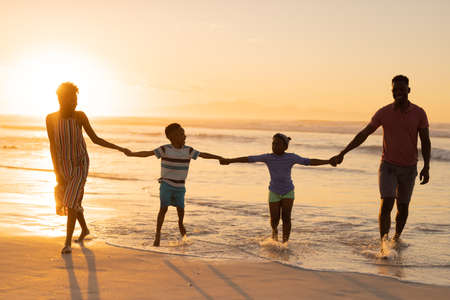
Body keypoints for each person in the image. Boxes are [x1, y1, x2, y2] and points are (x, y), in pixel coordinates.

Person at [330, 75, 431, 247]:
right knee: (387, 204)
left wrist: (426, 166)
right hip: (388, 166)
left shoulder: (419, 113)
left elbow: (425, 141)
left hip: (409, 168)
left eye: (401, 89)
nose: (398, 93)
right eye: (394, 90)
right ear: (392, 92)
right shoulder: (384, 112)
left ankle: (396, 239)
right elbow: (364, 134)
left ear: (408, 90)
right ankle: (384, 244)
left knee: (403, 208)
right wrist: (343, 152)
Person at [46, 82, 129, 254]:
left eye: (76, 99)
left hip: (80, 165)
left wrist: (120, 148)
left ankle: (67, 243)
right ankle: (85, 229)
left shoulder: (80, 116)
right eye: (72, 99)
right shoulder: (50, 119)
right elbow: (52, 146)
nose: (75, 102)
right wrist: (57, 173)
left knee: (69, 202)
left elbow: (96, 139)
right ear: (61, 99)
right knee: (74, 200)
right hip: (63, 166)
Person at [220, 133, 333, 243]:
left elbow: (308, 162)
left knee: (286, 218)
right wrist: (229, 160)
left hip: (288, 191)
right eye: (273, 144)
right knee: (274, 220)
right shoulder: (268, 157)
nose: (275, 146)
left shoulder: (291, 157)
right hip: (274, 191)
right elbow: (249, 159)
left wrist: (328, 161)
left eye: (278, 144)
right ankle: (274, 236)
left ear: (285, 147)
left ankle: (285, 243)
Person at [125, 123, 223, 246]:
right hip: (166, 184)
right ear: (172, 136)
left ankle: (182, 231)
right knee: (163, 209)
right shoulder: (165, 149)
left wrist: (219, 157)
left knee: (181, 212)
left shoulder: (188, 151)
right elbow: (148, 153)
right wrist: (132, 153)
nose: (184, 136)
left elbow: (204, 155)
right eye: (181, 133)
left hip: (180, 187)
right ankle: (158, 234)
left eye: (184, 133)